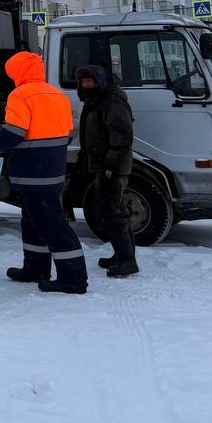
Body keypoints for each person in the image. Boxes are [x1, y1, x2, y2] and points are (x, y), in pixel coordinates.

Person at [0, 51, 88, 295]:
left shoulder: (20, 95)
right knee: (32, 220)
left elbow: (13, 133)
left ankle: (73, 279)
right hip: (52, 169)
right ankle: (35, 268)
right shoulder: (57, 94)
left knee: (52, 224)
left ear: (17, 72)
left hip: (33, 170)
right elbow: (66, 133)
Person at [75, 64, 138, 277]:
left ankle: (127, 260)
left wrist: (110, 165)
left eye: (89, 81)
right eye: (83, 82)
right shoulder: (95, 101)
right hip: (103, 165)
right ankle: (122, 255)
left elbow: (122, 137)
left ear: (100, 81)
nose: (86, 85)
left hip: (113, 167)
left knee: (111, 213)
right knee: (116, 210)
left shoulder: (112, 102)